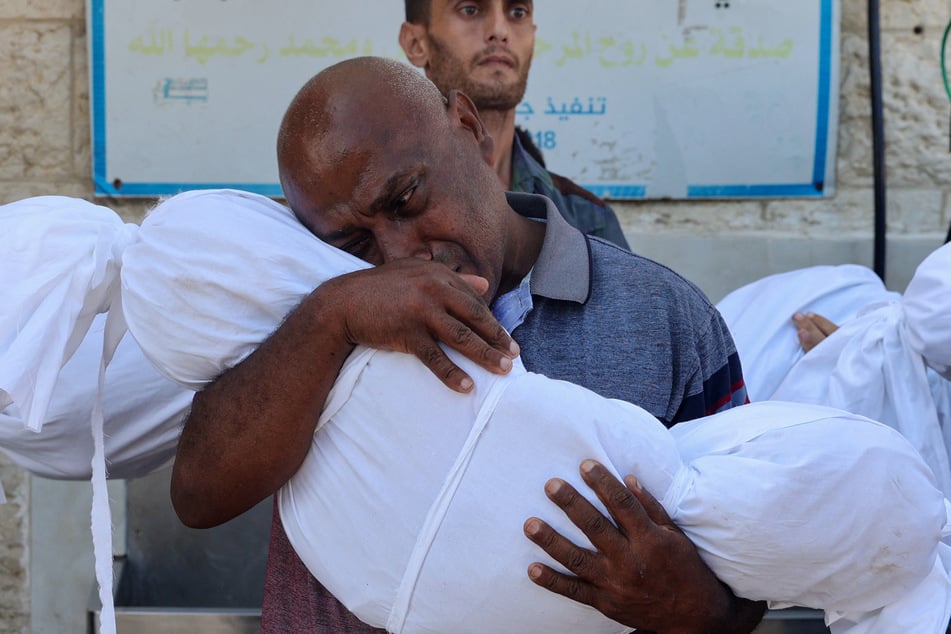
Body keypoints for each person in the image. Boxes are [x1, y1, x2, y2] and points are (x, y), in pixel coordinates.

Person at [169, 56, 754, 632]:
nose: (401, 255)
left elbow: (755, 579)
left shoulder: (662, 316)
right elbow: (199, 497)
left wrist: (691, 606)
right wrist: (332, 316)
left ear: (469, 130)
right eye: (355, 243)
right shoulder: (308, 303)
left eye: (406, 200)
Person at [398, 0, 630, 249]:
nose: (500, 30)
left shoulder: (588, 222)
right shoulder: (377, 209)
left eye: (518, 12)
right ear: (416, 43)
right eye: (470, 9)